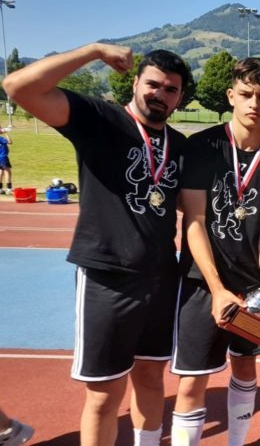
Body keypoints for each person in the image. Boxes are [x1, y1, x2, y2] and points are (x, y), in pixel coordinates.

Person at [3, 44, 191, 446]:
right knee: (105, 394)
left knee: (151, 379)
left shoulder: (179, 145)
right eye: (153, 84)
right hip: (108, 277)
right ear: (135, 82)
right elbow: (17, 86)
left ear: (179, 97)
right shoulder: (99, 119)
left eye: (171, 89)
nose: (160, 94)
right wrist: (93, 51)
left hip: (161, 277)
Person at [170, 57, 260, 446]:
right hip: (203, 286)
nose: (254, 103)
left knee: (245, 368)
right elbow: (194, 221)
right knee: (193, 380)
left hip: (252, 290)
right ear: (231, 96)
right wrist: (217, 289)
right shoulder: (202, 147)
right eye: (246, 94)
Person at [0, 129, 12, 195]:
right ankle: (9, 189)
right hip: (3, 157)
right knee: (8, 172)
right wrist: (6, 133)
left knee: (1, 172)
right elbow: (10, 142)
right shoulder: (1, 138)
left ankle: (0, 189)